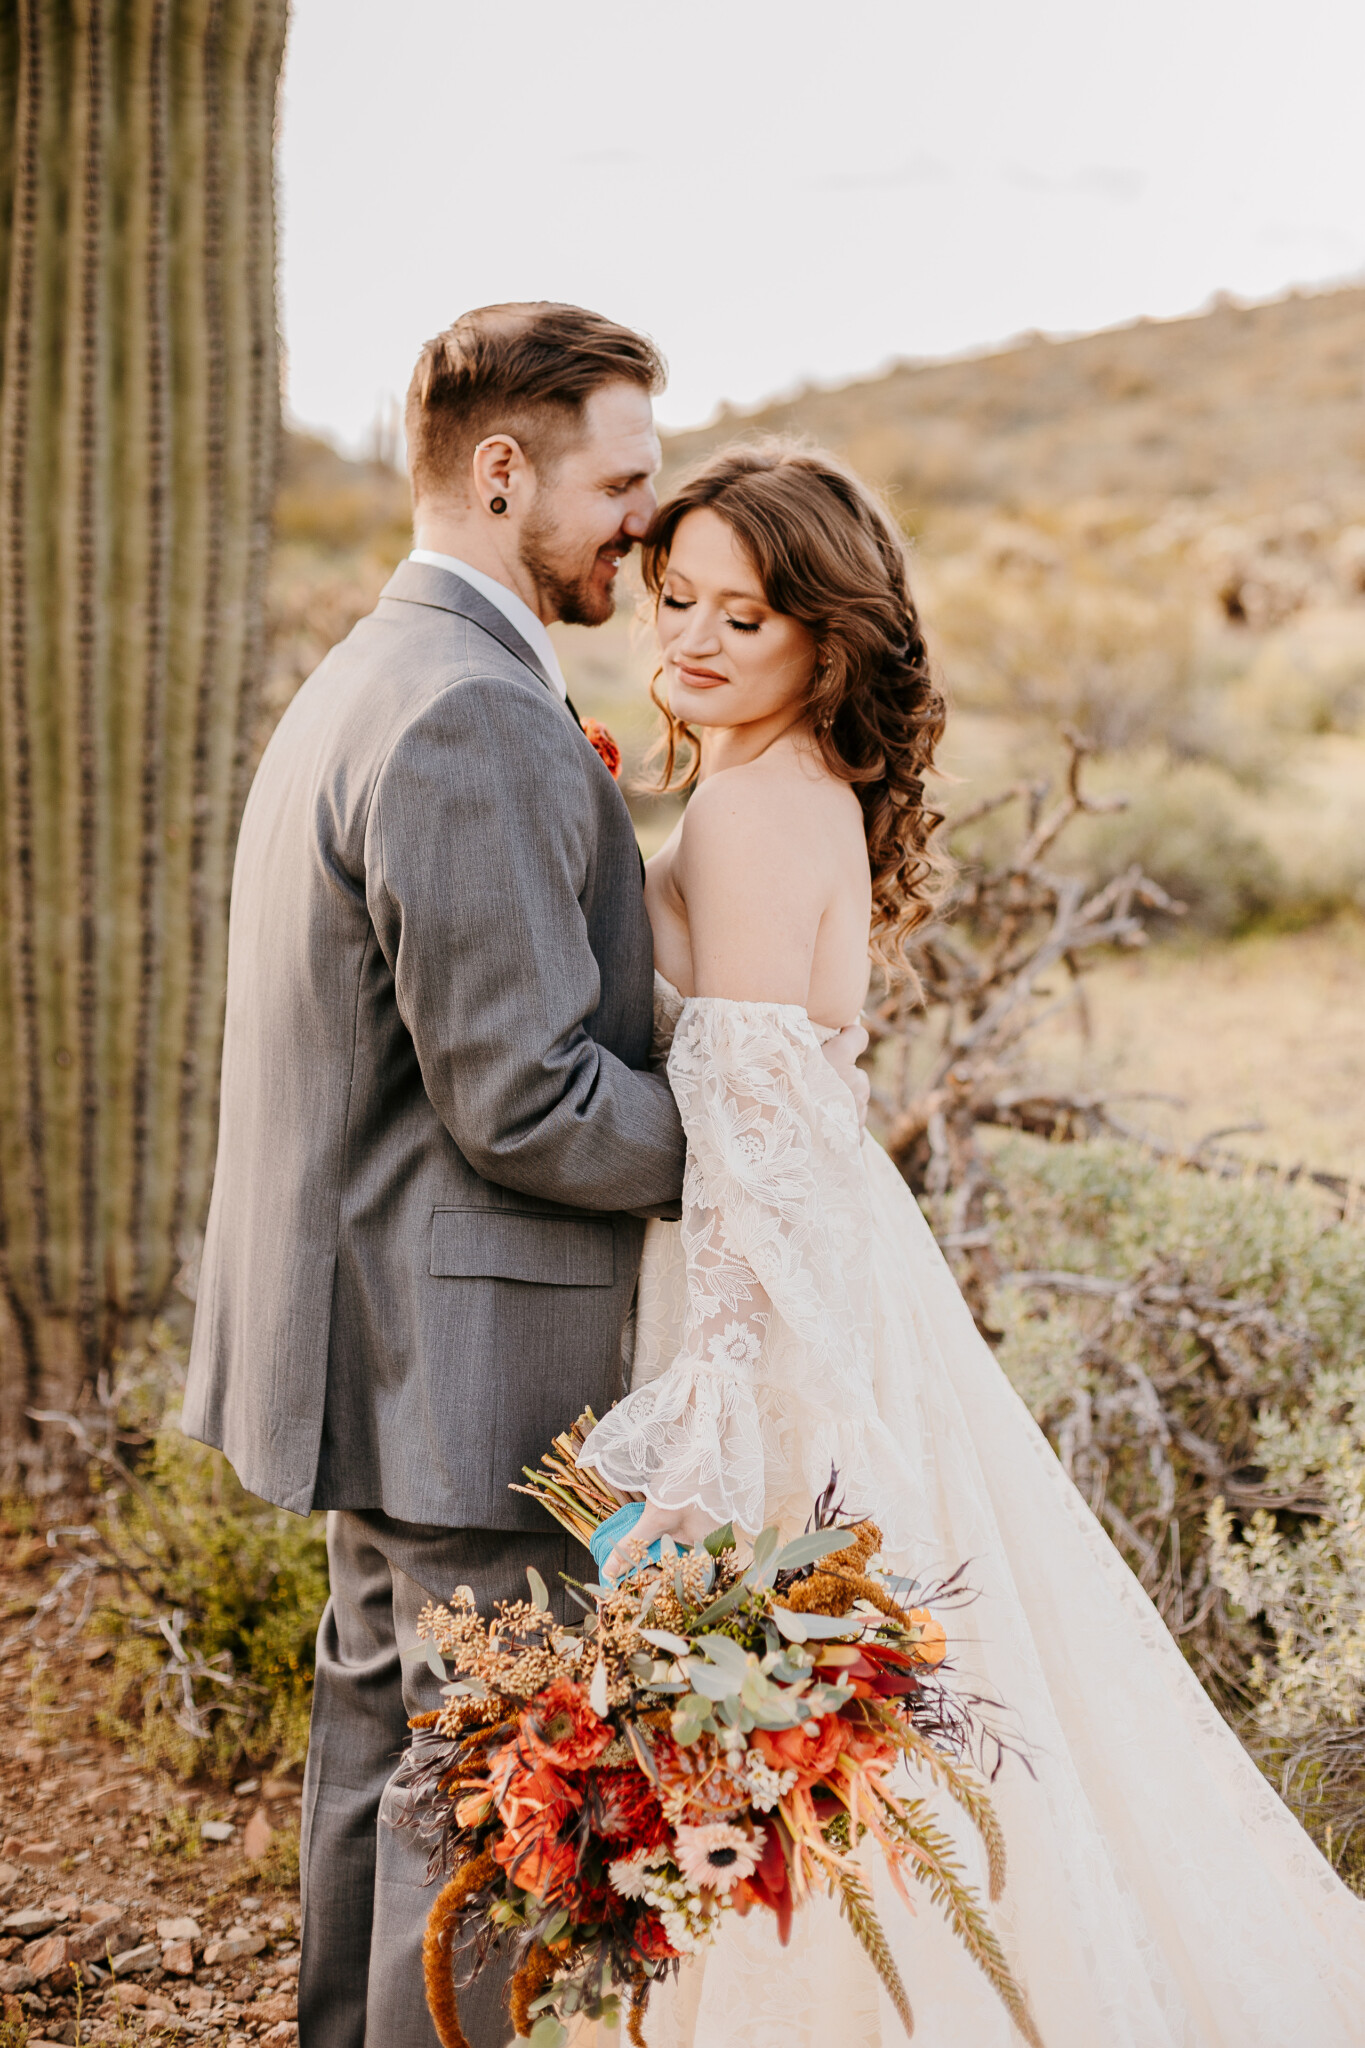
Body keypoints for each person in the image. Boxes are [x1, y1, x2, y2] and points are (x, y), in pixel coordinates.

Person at [577, 444, 1365, 2047]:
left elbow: (744, 1149)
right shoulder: (792, 786)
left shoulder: (747, 808)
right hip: (835, 1264)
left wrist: (712, 1416)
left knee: (813, 1711)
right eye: (679, 602)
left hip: (777, 1295)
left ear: (828, 639)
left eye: (750, 614)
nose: (699, 641)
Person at [181, 305, 868, 2048]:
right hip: (468, 1364)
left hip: (385, 1333)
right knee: (482, 1816)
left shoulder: (382, 667)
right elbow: (532, 1103)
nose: (643, 531)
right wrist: (760, 1173)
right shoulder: (470, 714)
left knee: (393, 1765)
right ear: (504, 472)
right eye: (622, 488)